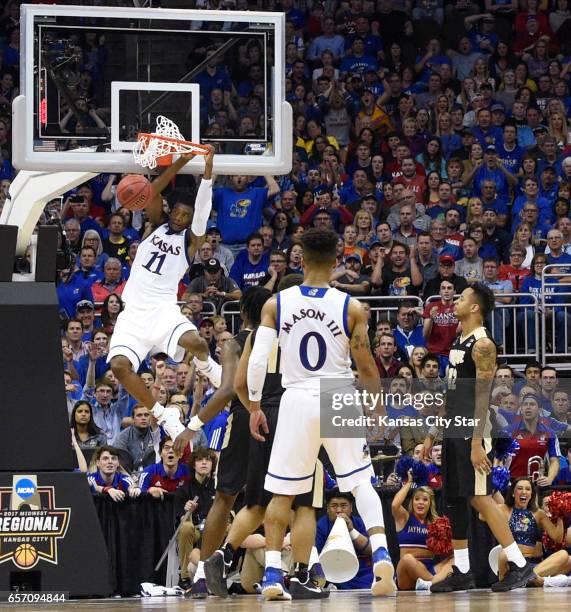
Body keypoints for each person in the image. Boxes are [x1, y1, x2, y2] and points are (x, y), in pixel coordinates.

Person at [247, 228, 396, 599]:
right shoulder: (351, 306)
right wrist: (377, 409)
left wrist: (253, 404)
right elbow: (365, 365)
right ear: (336, 259)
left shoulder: (275, 304)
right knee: (362, 481)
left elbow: (258, 361)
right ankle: (381, 555)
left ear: (301, 259)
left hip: (295, 397)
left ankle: (271, 576)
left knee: (281, 494)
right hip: (337, 392)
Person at [424, 283, 536, 592]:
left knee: (478, 496)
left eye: (461, 298)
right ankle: (463, 570)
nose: (456, 301)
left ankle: (520, 564)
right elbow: (452, 392)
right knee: (457, 499)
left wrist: (476, 443)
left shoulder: (483, 345)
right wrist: (433, 435)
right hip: (453, 429)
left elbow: (482, 397)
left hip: (473, 431)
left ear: (475, 308)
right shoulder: (459, 339)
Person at [109, 150, 216, 442]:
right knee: (119, 366)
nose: (181, 218)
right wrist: (181, 161)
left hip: (163, 308)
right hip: (133, 313)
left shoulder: (191, 241)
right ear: (170, 211)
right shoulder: (154, 225)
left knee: (198, 344)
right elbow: (150, 191)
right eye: (178, 212)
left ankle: (209, 369)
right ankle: (161, 413)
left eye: (187, 215)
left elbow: (202, 210)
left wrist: (207, 172)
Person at [173, 287, 273, 598]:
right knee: (282, 500)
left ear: (243, 312)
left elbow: (229, 389)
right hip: (283, 415)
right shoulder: (281, 338)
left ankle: (202, 574)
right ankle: (287, 573)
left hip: (247, 416)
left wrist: (192, 426)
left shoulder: (235, 342)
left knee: (225, 497)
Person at [487, 478, 569, 587]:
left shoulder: (538, 514)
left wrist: (560, 514)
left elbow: (557, 538)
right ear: (512, 493)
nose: (524, 492)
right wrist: (491, 491)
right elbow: (482, 515)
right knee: (503, 555)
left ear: (532, 494)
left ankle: (527, 579)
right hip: (511, 563)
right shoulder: (504, 509)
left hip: (533, 565)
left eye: (528, 489)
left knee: (564, 555)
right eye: (519, 488)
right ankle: (540, 581)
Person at [391, 472, 453, 590]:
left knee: (455, 559)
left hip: (428, 569)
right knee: (407, 559)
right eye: (417, 499)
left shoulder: (436, 522)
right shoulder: (405, 518)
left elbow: (448, 548)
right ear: (412, 502)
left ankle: (429, 583)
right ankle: (435, 583)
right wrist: (409, 483)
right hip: (407, 572)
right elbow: (394, 505)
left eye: (425, 500)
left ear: (430, 504)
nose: (420, 502)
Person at [174, 447, 217, 589]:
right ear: (193, 465)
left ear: (213, 464)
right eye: (199, 460)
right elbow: (178, 520)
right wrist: (187, 511)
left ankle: (226, 573)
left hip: (215, 530)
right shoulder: (184, 490)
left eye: (208, 460)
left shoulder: (219, 488)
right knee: (185, 527)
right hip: (196, 530)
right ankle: (185, 577)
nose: (204, 463)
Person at [114, 404, 161, 473]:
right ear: (133, 419)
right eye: (139, 415)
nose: (143, 418)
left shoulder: (155, 434)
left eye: (146, 415)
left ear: (150, 418)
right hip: (129, 476)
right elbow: (121, 464)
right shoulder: (122, 437)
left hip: (152, 475)